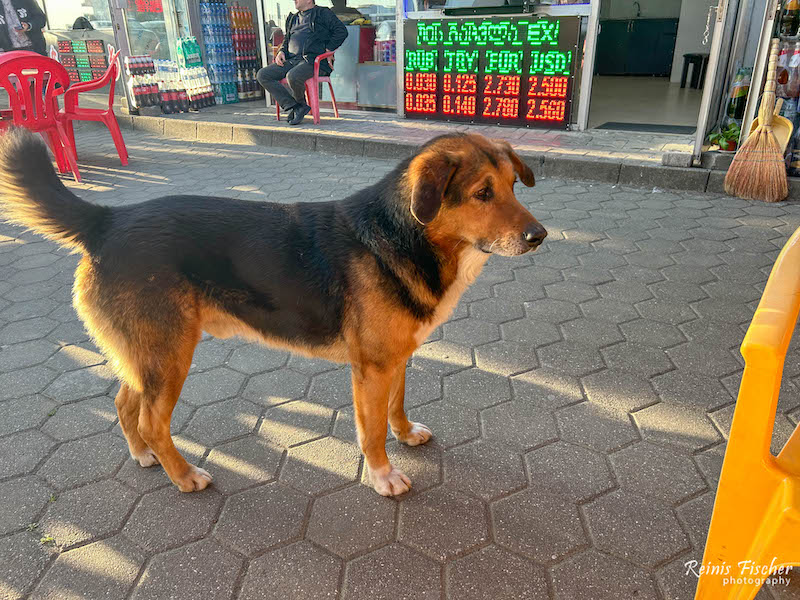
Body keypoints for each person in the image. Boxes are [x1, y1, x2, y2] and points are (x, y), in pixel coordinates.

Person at [257, 0, 347, 126]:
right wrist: (282, 51)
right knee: (263, 75)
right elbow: (287, 39)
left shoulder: (323, 13)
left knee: (293, 76)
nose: (295, 0)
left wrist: (329, 49)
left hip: (313, 61)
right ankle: (295, 106)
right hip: (292, 60)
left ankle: (299, 105)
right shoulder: (293, 18)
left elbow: (342, 31)